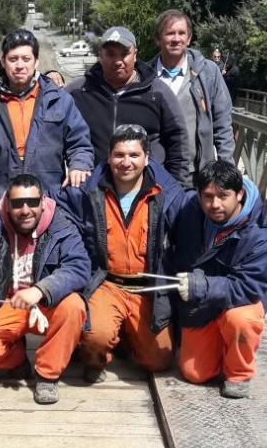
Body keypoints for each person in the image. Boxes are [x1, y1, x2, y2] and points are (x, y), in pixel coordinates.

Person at [58, 125, 183, 382]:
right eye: (119, 155)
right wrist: (6, 203)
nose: (126, 162)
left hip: (147, 286)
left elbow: (194, 214)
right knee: (95, 336)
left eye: (134, 155)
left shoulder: (166, 194)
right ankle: (99, 357)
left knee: (159, 359)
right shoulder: (88, 190)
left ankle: (127, 338)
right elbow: (49, 203)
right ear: (109, 157)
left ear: (147, 158)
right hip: (108, 283)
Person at [0, 174, 91, 405]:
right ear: (7, 204)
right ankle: (17, 360)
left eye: (32, 202)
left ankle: (47, 375)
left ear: (42, 202)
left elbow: (79, 267)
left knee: (74, 306)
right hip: (7, 305)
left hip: (48, 303)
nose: (25, 209)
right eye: (18, 203)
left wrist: (41, 289)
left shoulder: (62, 227)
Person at [170, 159, 267, 399]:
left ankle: (239, 373)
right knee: (194, 373)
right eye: (207, 196)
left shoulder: (260, 235)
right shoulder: (190, 211)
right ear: (198, 195)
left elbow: (251, 285)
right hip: (202, 299)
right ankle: (220, 341)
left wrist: (203, 286)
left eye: (223, 196)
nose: (215, 204)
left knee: (240, 320)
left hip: (242, 298)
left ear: (239, 194)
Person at [0, 28, 94, 227]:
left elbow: (80, 144)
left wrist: (79, 165)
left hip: (50, 204)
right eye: (13, 59)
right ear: (3, 61)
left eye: (26, 58)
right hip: (1, 205)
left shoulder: (59, 100)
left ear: (36, 62)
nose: (20, 65)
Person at [66, 26, 189, 183]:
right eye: (110, 54)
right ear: (100, 56)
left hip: (149, 192)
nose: (117, 61)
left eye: (124, 54)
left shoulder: (157, 92)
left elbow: (179, 142)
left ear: (135, 55)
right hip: (95, 191)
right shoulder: (78, 92)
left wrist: (176, 187)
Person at [150, 11, 234, 177]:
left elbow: (223, 125)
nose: (176, 39)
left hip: (197, 174)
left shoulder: (208, 73)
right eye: (169, 33)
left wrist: (227, 172)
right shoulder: (145, 76)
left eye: (181, 33)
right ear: (158, 38)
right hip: (154, 174)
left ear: (188, 38)